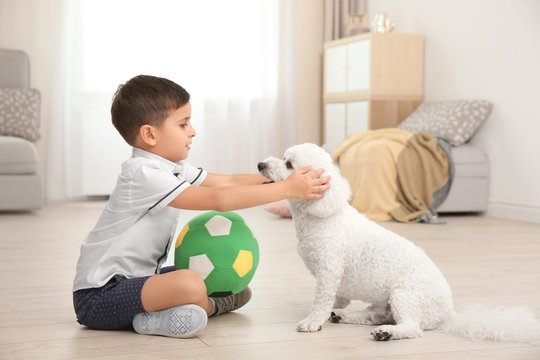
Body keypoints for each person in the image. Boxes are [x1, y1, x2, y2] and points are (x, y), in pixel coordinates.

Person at [72, 75, 331, 338]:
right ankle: (184, 311)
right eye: (183, 124)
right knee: (192, 283)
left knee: (221, 279)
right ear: (150, 134)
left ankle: (180, 306)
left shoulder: (172, 168)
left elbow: (226, 182)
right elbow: (219, 200)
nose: (192, 131)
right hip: (99, 296)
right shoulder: (143, 174)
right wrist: (287, 190)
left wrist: (285, 178)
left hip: (138, 280)